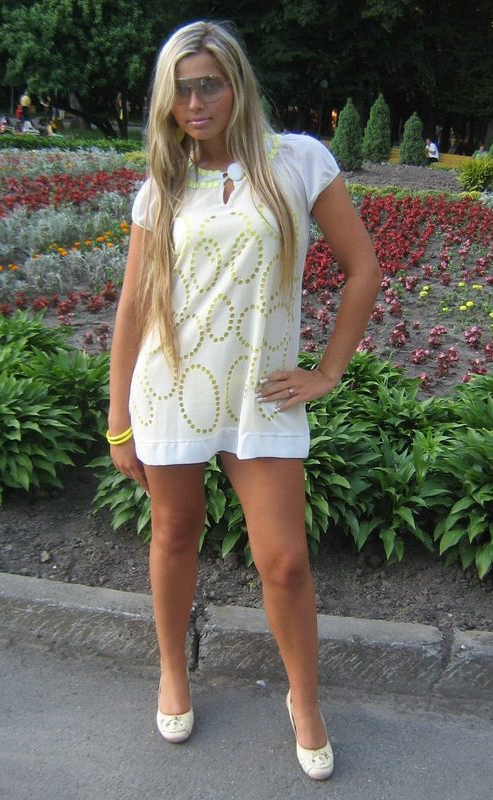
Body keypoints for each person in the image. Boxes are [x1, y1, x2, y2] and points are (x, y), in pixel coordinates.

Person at [107, 20, 381, 781]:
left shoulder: (297, 161)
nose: (195, 103)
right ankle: (173, 671)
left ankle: (305, 701)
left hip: (262, 397)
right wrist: (118, 420)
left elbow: (363, 267)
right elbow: (133, 308)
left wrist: (327, 372)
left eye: (209, 85)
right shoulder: (161, 188)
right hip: (171, 391)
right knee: (174, 535)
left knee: (284, 562)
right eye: (180, 90)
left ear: (237, 85)